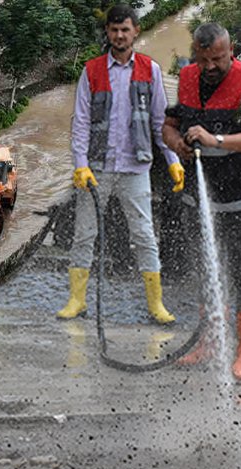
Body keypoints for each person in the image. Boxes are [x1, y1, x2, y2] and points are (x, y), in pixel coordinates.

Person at [60, 4, 184, 325]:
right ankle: (76, 300)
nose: (119, 35)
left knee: (144, 234)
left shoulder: (150, 70)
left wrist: (171, 160)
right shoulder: (92, 71)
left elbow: (160, 122)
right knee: (84, 233)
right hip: (97, 169)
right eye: (114, 30)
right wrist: (80, 164)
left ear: (136, 31)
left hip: (135, 168)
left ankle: (156, 304)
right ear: (108, 33)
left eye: (125, 30)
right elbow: (81, 122)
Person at [162, 22, 241, 381]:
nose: (209, 67)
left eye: (217, 59)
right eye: (203, 58)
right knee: (206, 269)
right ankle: (209, 341)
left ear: (231, 50)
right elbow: (169, 125)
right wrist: (176, 143)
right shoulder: (188, 76)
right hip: (200, 198)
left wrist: (215, 139)